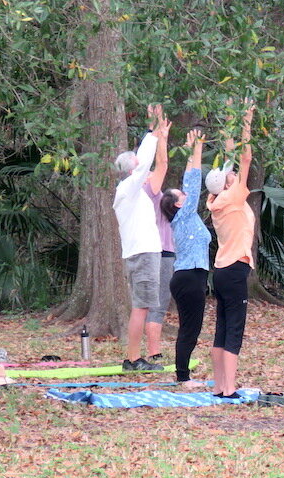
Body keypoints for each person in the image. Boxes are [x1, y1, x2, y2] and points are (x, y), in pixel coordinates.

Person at [205, 101, 255, 399]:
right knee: (233, 329)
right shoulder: (234, 196)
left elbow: (231, 162)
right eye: (230, 176)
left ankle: (220, 387)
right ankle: (229, 389)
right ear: (226, 185)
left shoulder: (218, 201)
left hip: (222, 270)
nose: (234, 173)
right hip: (235, 269)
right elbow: (245, 159)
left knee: (222, 328)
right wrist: (246, 120)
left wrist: (228, 122)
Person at [112, 105, 168, 371]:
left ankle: (134, 357)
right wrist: (152, 130)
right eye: (135, 160)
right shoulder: (129, 187)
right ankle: (133, 359)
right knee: (141, 307)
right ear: (131, 168)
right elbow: (145, 161)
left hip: (142, 252)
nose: (139, 161)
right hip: (143, 253)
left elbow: (149, 164)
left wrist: (155, 132)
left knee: (142, 306)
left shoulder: (130, 192)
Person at [160, 129, 212, 387]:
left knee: (190, 328)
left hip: (191, 277)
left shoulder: (187, 217)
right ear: (178, 204)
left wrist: (193, 150)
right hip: (189, 277)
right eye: (181, 195)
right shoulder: (184, 215)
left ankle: (183, 376)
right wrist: (197, 148)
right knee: (189, 330)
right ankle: (183, 378)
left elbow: (190, 184)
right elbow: (193, 181)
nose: (186, 194)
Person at [142, 105, 174, 363]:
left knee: (149, 303)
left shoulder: (133, 188)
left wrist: (153, 128)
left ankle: (149, 351)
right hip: (161, 252)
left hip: (152, 251)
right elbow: (161, 163)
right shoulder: (148, 188)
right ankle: (154, 352)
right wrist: (161, 135)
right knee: (158, 304)